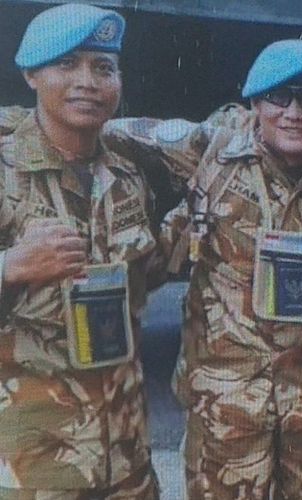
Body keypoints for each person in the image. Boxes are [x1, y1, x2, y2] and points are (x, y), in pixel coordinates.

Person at [103, 39, 302, 499]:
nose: (293, 113)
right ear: (255, 104)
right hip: (227, 406)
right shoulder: (209, 150)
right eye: (278, 98)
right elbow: (106, 129)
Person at [0, 3, 160, 499]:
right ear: (30, 74)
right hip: (35, 459)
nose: (87, 81)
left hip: (125, 451)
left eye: (102, 67)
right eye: (67, 65)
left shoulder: (129, 177)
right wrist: (11, 267)